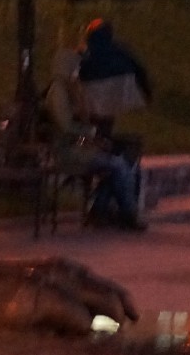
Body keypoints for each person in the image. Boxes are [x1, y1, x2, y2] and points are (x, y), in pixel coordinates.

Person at [44, 42, 144, 230]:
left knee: (125, 162)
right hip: (67, 152)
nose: (77, 71)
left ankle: (100, 209)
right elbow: (66, 126)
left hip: (78, 147)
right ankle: (129, 214)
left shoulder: (69, 90)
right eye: (74, 67)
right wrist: (89, 132)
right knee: (117, 165)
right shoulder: (58, 93)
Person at [75, 19, 152, 139]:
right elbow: (139, 69)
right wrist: (146, 93)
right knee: (106, 115)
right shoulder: (119, 49)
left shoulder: (85, 51)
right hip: (115, 92)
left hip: (92, 92)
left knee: (94, 116)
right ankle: (103, 139)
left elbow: (72, 70)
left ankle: (95, 139)